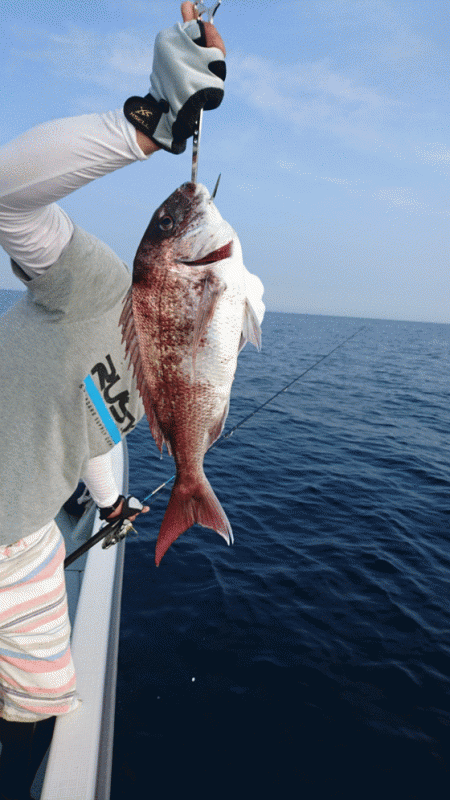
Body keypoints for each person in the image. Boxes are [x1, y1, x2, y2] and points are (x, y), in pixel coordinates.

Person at [0, 4, 227, 798]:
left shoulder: (155, 380)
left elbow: (97, 420)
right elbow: (7, 195)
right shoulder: (93, 286)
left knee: (38, 703)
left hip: (28, 541)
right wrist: (148, 125)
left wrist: (112, 501)